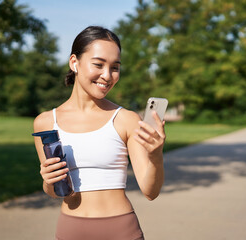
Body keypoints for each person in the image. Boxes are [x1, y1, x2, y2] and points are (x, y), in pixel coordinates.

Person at [33, 26, 166, 240]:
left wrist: (156, 155)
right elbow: (54, 192)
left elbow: (151, 192)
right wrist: (49, 180)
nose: (107, 75)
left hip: (121, 231)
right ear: (74, 62)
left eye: (115, 67)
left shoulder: (126, 120)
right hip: (70, 230)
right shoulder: (46, 122)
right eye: (98, 64)